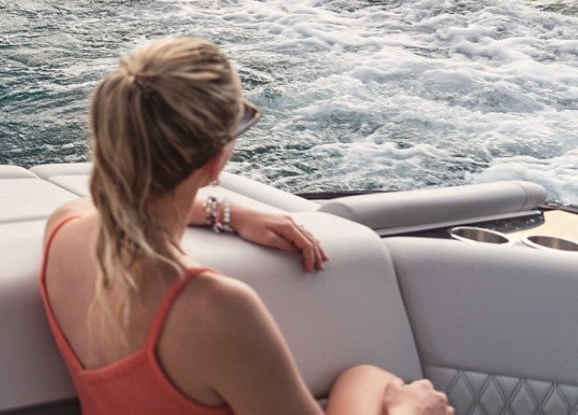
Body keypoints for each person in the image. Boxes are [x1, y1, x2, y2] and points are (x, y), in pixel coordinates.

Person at [40, 37, 452, 415]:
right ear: (215, 160)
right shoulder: (212, 307)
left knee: (363, 376)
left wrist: (227, 212)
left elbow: (118, 201)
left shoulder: (64, 229)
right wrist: (409, 412)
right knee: (376, 381)